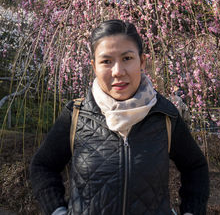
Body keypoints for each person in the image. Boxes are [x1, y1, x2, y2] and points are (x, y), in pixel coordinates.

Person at [30, 20, 209, 215]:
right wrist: (56, 211)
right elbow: (43, 166)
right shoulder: (76, 114)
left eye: (127, 58)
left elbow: (195, 167)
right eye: (106, 61)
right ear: (94, 66)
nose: (118, 71)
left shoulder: (165, 115)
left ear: (142, 61)